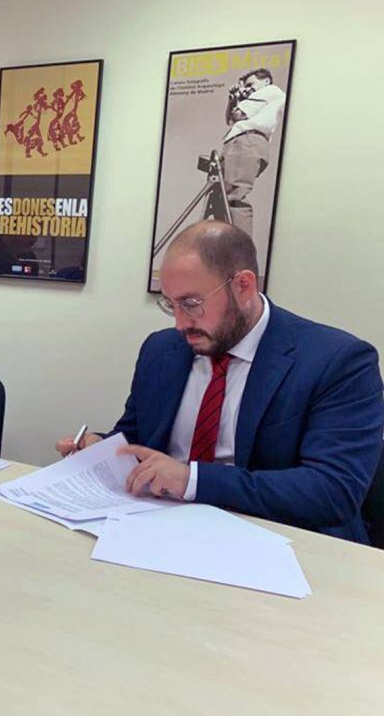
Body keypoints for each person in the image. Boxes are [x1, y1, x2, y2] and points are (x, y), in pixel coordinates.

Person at [56, 221, 383, 543]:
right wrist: (102, 448)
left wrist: (193, 480)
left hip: (281, 543)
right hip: (160, 532)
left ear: (243, 286)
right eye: (171, 304)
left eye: (191, 304)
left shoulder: (337, 362)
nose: (180, 323)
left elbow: (333, 491)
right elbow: (138, 438)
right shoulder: (162, 349)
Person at [221, 68, 287, 237]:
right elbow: (230, 119)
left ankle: (240, 251)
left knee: (234, 198)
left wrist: (240, 98)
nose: (248, 89)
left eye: (251, 85)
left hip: (246, 141)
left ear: (265, 81)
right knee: (221, 197)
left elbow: (239, 115)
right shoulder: (261, 98)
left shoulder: (270, 91)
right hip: (242, 142)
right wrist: (233, 99)